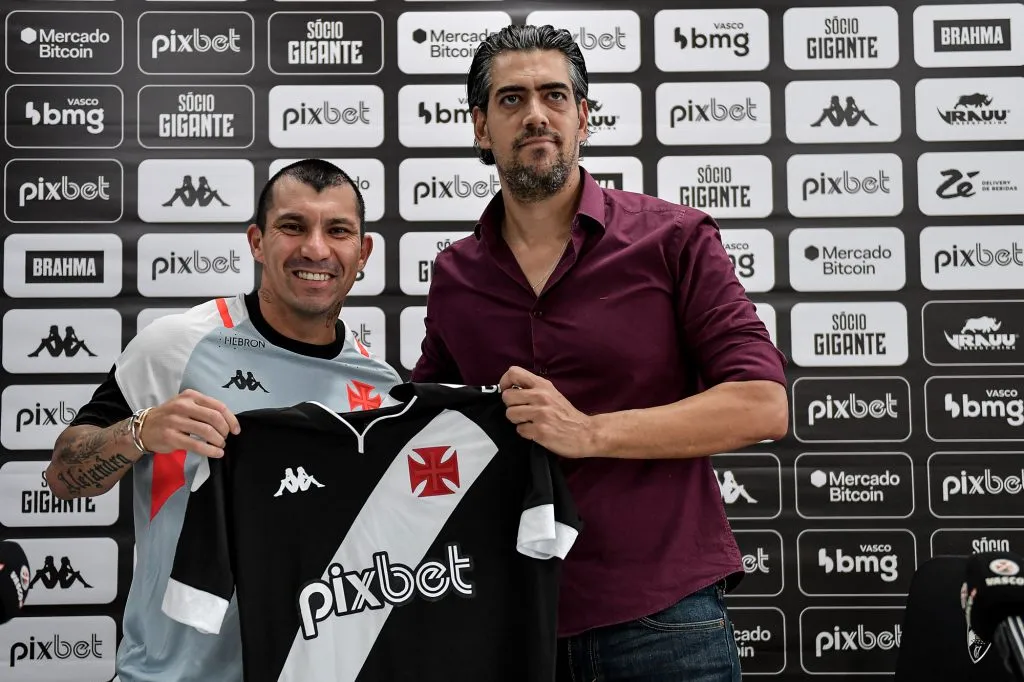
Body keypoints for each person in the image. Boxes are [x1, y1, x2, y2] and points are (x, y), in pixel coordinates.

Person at [411, 25, 789, 682]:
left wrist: (588, 432)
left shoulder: (675, 239)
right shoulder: (455, 273)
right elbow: (429, 426)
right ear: (480, 128)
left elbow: (761, 404)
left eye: (555, 95)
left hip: (664, 622)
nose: (535, 114)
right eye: (510, 100)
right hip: (508, 620)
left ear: (583, 117)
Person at [45, 158, 402, 682]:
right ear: (257, 241)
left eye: (339, 231)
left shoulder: (382, 388)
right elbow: (61, 477)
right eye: (293, 226)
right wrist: (142, 431)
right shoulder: (175, 346)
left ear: (363, 252)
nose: (317, 250)